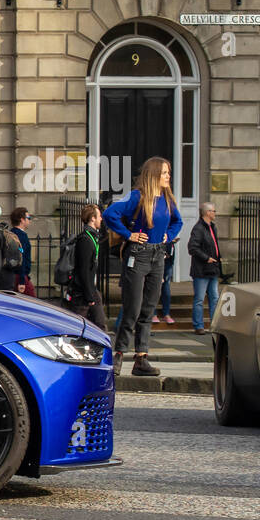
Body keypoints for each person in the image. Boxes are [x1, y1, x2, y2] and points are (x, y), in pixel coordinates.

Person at [103, 156, 183, 376]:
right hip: (137, 256)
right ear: (154, 174)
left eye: (168, 173)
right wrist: (129, 234)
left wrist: (169, 235)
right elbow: (110, 214)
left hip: (158, 255)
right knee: (132, 309)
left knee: (148, 309)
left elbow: (178, 221)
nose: (168, 177)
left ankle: (141, 359)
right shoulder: (137, 196)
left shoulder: (167, 199)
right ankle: (118, 354)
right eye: (165, 173)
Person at [65, 204, 107, 330]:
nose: (101, 219)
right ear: (92, 218)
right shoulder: (85, 240)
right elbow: (83, 270)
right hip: (82, 293)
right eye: (99, 216)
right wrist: (89, 295)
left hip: (90, 290)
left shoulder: (92, 237)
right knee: (77, 327)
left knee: (99, 325)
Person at [188, 202, 222, 335]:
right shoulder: (199, 228)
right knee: (199, 299)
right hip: (202, 270)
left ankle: (214, 325)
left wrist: (219, 258)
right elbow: (192, 248)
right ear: (207, 213)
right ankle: (198, 325)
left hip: (212, 268)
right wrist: (206, 258)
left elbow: (214, 245)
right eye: (213, 211)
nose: (215, 213)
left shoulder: (212, 227)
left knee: (214, 298)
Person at [9, 207, 35, 296]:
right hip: (19, 275)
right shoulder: (21, 236)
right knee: (33, 302)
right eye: (28, 218)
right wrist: (22, 280)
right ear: (22, 220)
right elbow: (21, 256)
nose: (29, 221)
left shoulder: (11, 233)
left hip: (12, 274)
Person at [152, 246, 176, 324]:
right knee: (154, 288)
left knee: (166, 289)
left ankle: (166, 314)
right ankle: (153, 314)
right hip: (155, 262)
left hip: (167, 263)